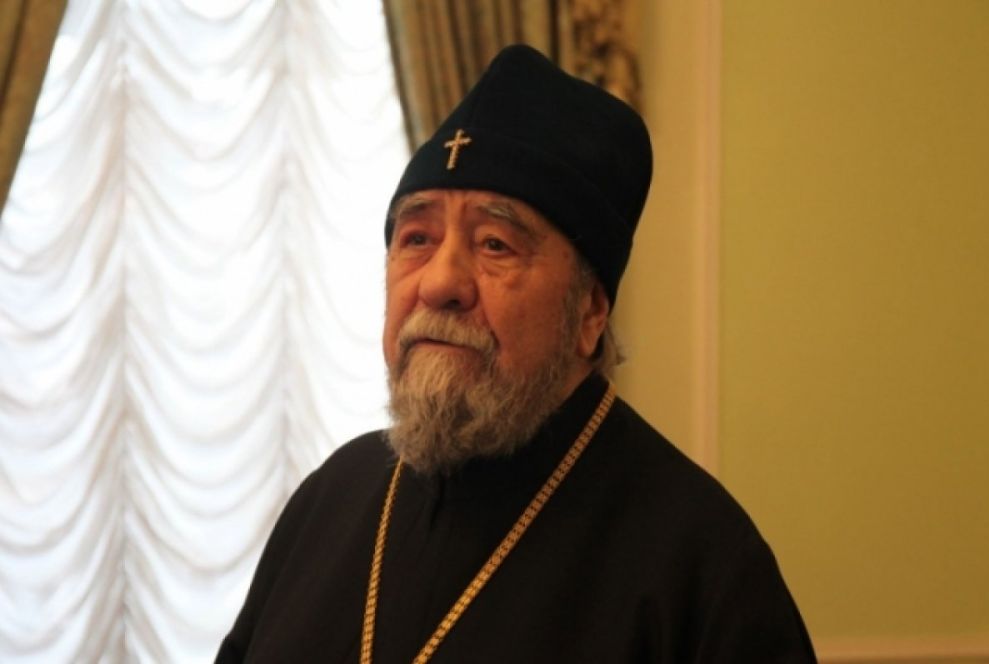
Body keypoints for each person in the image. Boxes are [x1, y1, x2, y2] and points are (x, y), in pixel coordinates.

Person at [216, 44, 816, 663]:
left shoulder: (701, 562)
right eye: (416, 238)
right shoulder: (330, 499)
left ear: (589, 312)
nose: (439, 283)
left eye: (495, 244)